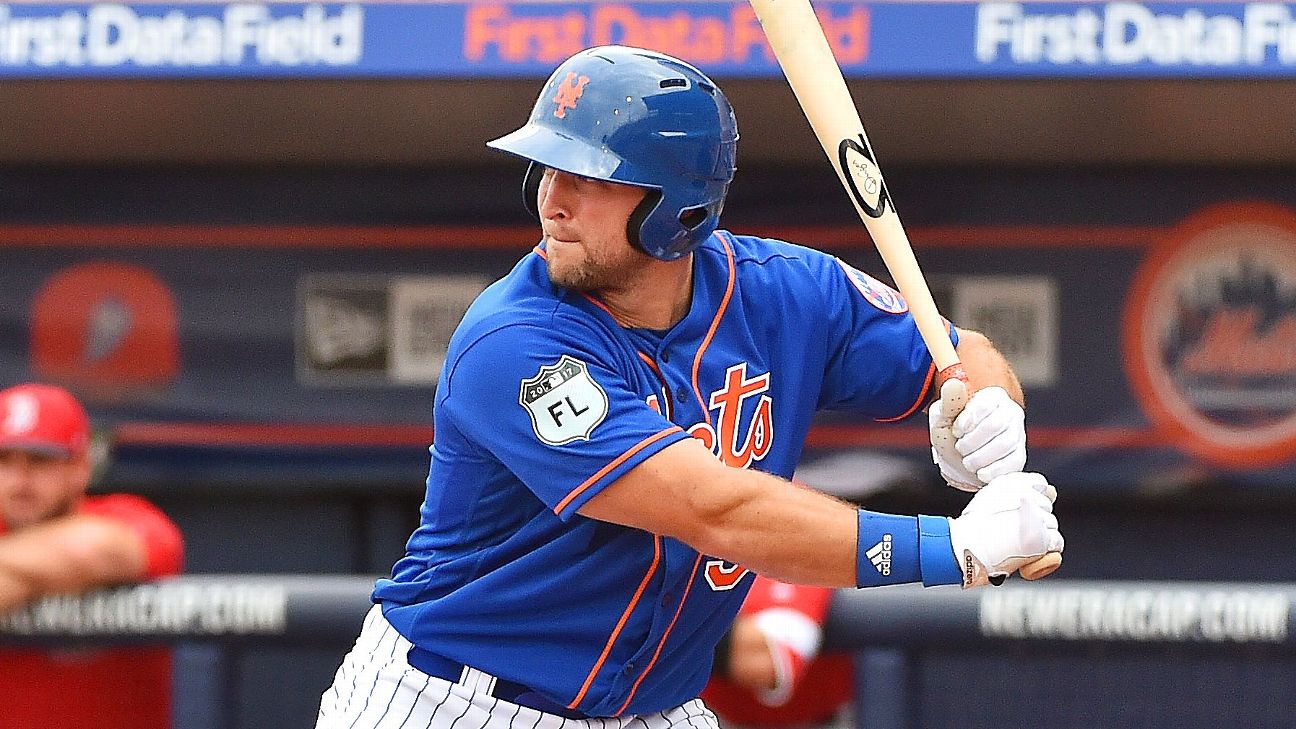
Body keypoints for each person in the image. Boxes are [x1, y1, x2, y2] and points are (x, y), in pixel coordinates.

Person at [317, 45, 1062, 729]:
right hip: (455, 699)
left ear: (677, 208)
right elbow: (714, 510)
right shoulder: (514, 341)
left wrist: (986, 409)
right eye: (547, 169)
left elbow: (961, 351)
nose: (553, 199)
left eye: (589, 176)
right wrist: (955, 547)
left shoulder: (782, 292)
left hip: (654, 707)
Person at [0, 382, 185, 728]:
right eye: (4, 460)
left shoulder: (124, 515)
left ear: (80, 467)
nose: (19, 481)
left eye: (39, 461)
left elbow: (93, 550)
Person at [702, 577, 853, 729]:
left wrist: (685, 613)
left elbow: (765, 661)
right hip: (707, 709)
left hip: (806, 717)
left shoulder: (788, 562)